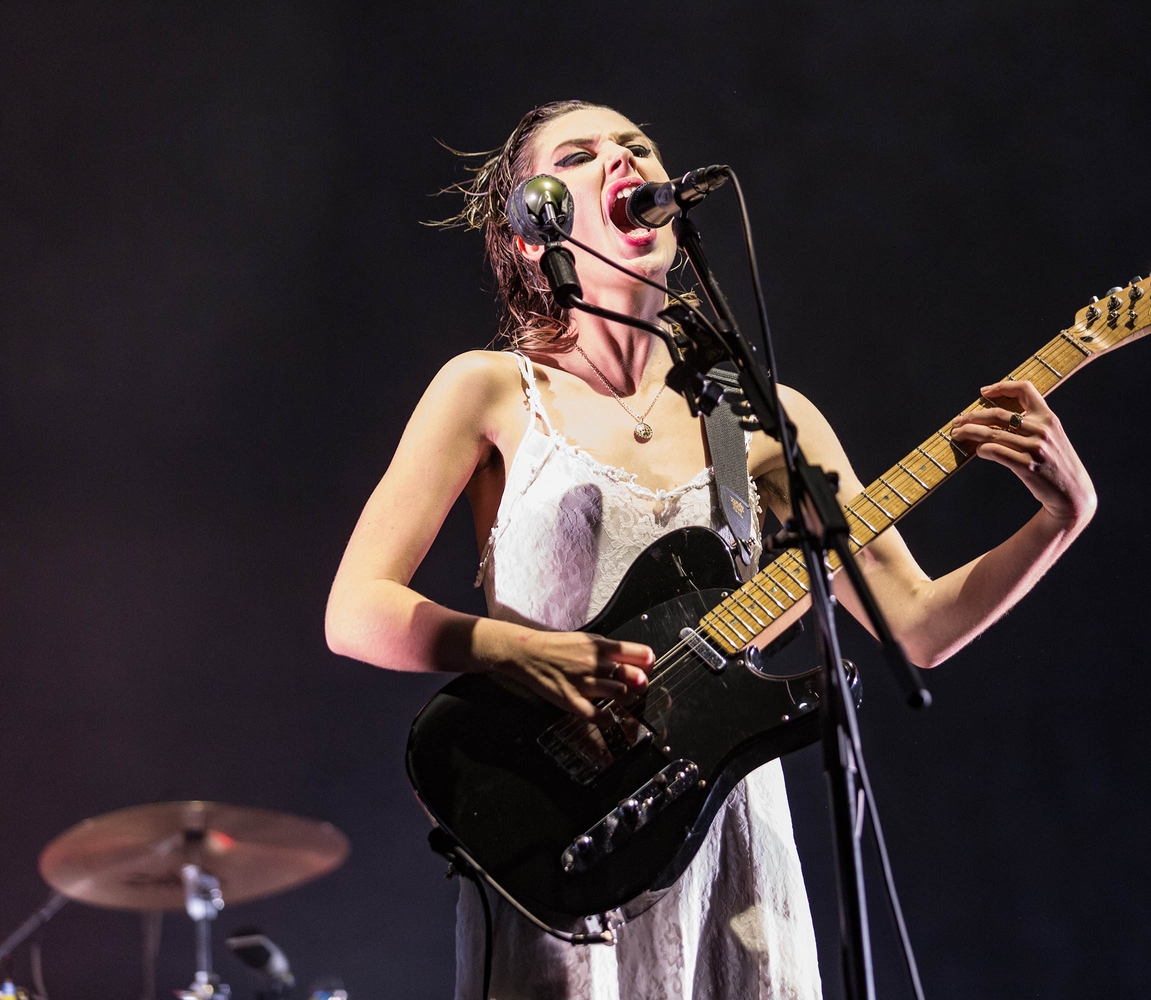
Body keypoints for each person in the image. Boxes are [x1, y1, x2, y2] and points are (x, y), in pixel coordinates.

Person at [325, 99, 1097, 1000]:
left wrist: (1061, 517)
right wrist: (522, 650)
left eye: (636, 145)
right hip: (564, 833)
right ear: (535, 227)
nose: (621, 158)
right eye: (580, 155)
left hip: (729, 837)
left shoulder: (758, 415)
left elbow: (918, 625)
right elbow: (356, 609)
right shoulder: (491, 389)